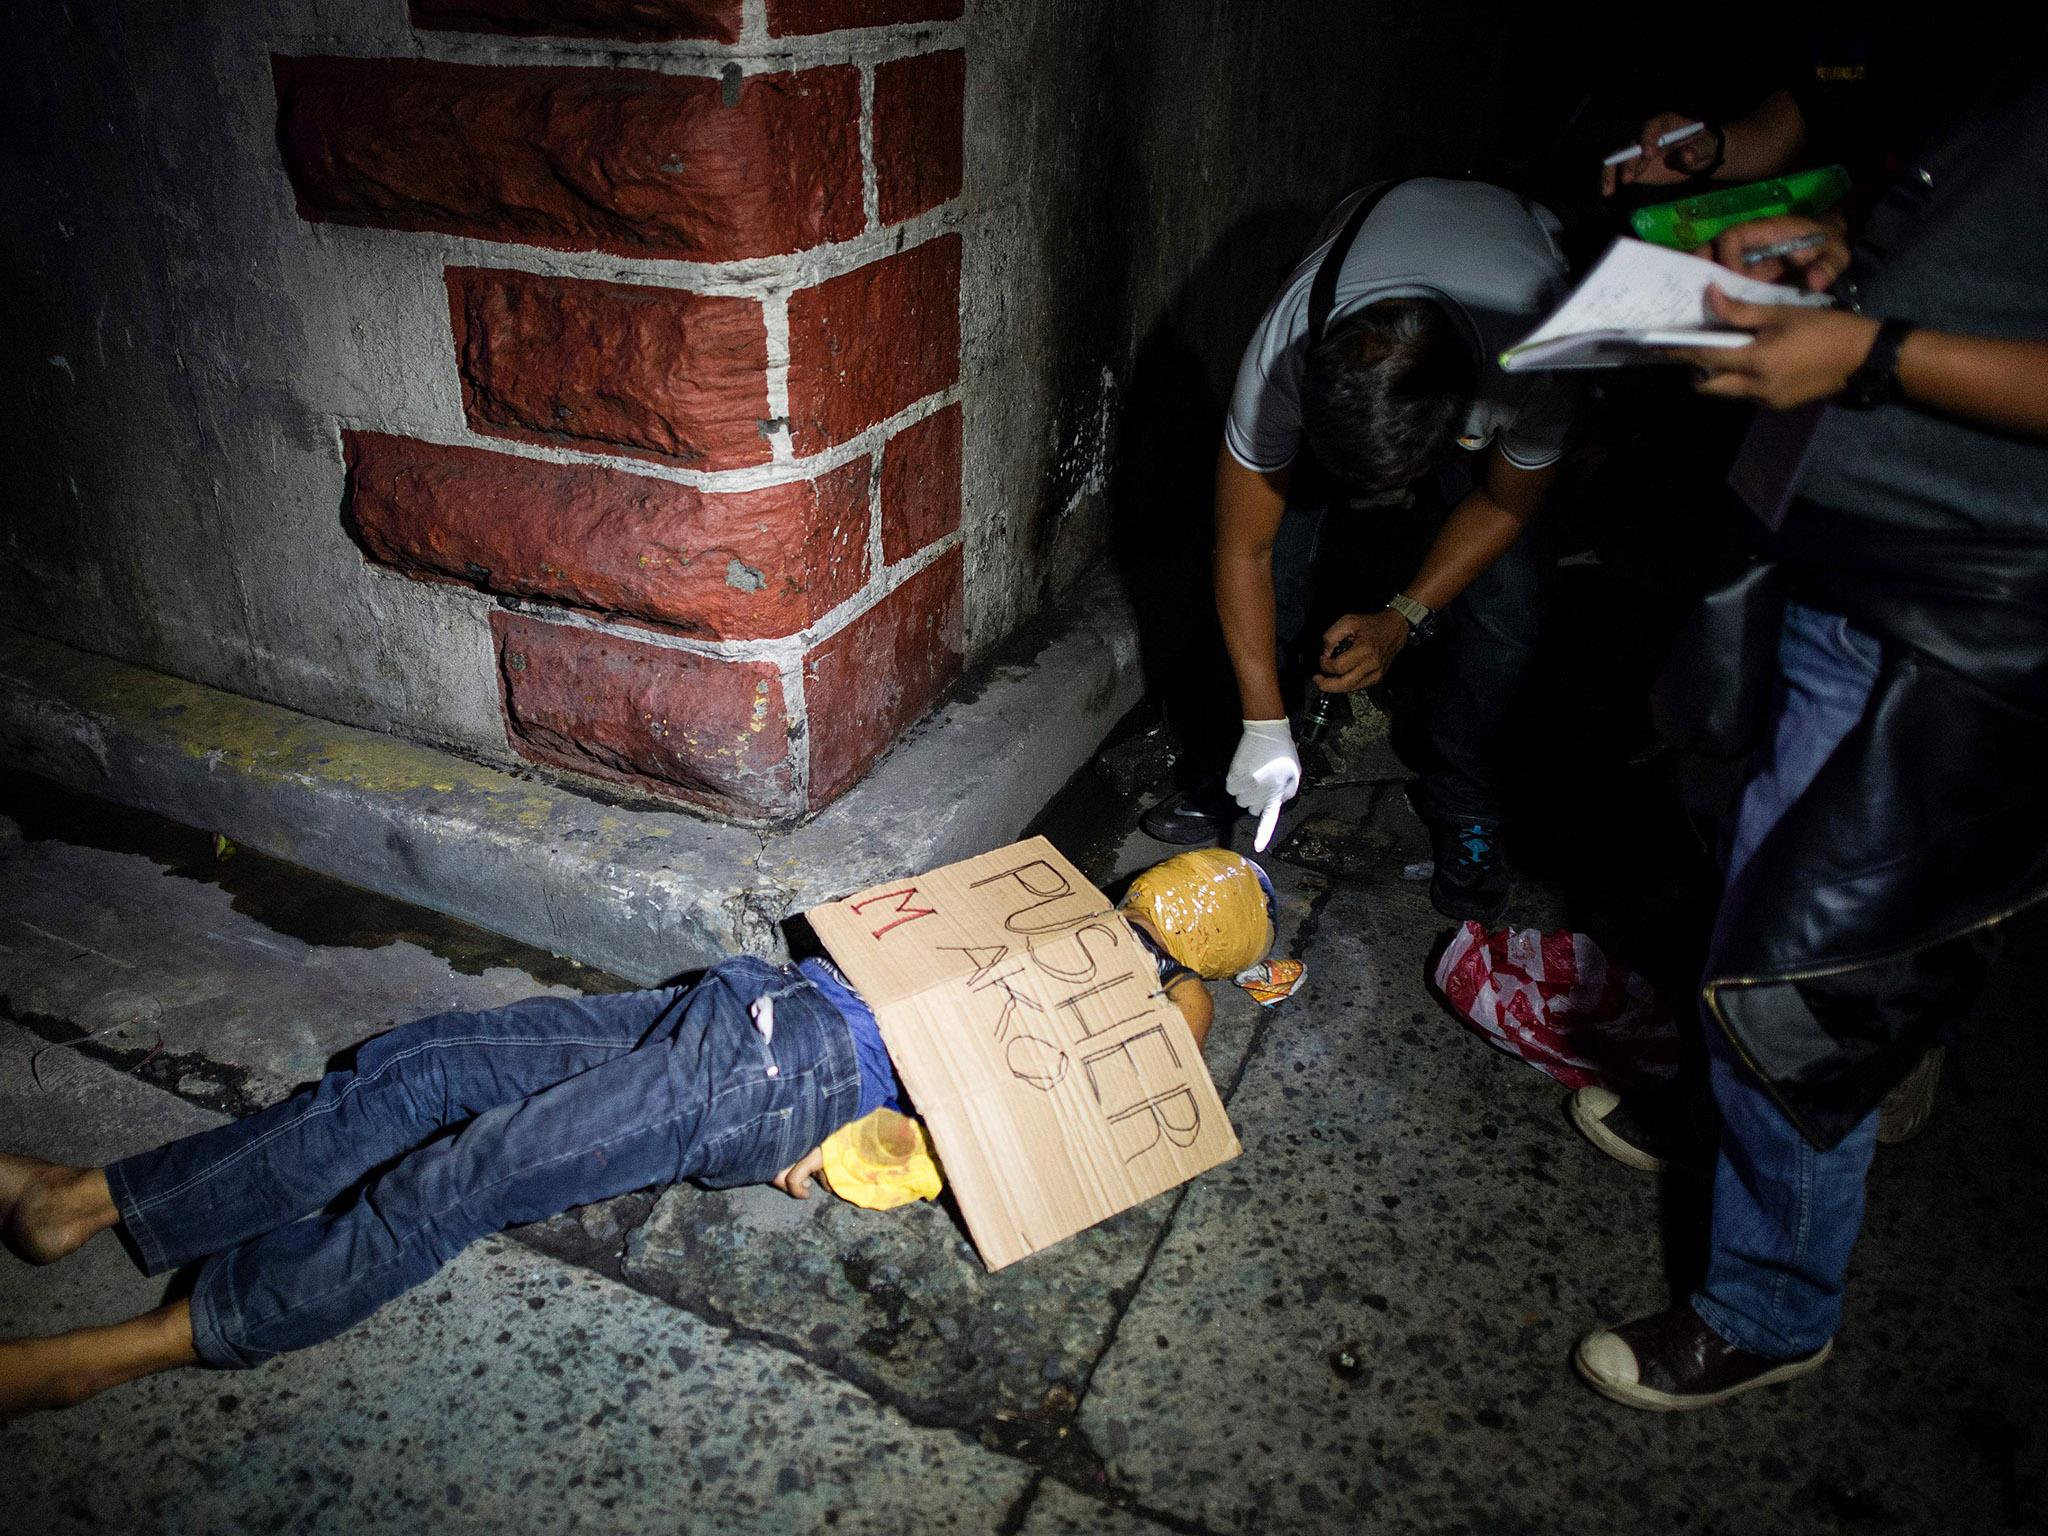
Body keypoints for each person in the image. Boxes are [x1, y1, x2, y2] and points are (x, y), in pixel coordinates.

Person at [0, 851, 1276, 1418]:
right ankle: (91, 1200)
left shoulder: (1163, 1003)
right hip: (746, 1004)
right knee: (430, 1061)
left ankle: (129, 1349)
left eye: (1210, 909)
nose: (1181, 897)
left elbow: (1032, 1125)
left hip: (787, 1075)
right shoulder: (1073, 900)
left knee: (459, 1180)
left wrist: (855, 1145)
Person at [1572, 70, 2048, 1411]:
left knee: (1812, 969)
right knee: (1745, 878)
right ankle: (1732, 1126)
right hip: (1845, 553)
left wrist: (1873, 353)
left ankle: (1771, 1302)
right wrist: (1848, 268)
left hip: (1971, 611)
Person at [1149, 177, 1578, 923]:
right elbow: (1241, 549)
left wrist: (1404, 615)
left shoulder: (1543, 357)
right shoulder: (1284, 352)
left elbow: (1505, 502)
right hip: (1365, 296)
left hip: (1501, 326)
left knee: (1512, 612)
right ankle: (1240, 766)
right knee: (1276, 565)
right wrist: (1262, 722)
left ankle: (1468, 800)